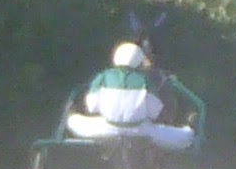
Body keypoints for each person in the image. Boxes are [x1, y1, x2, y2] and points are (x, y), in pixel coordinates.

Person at [66, 39, 201, 146]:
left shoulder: (102, 77)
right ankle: (190, 129)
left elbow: (91, 107)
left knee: (74, 121)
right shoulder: (145, 80)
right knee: (184, 136)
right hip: (141, 131)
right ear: (139, 60)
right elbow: (154, 112)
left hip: (107, 129)